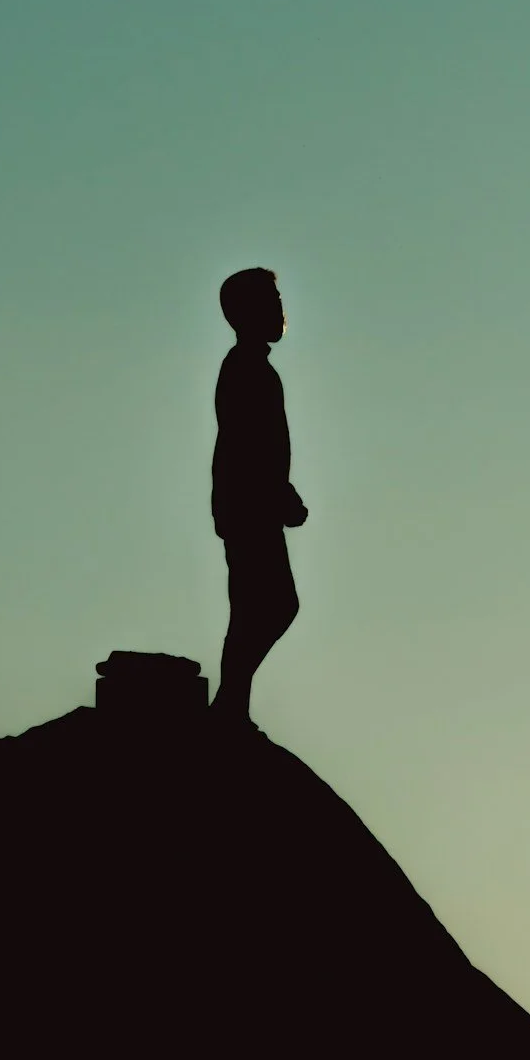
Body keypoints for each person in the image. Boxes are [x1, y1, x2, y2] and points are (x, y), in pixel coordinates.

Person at [211, 268, 307, 723]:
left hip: (251, 505)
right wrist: (275, 496)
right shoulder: (246, 369)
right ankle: (230, 702)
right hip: (248, 507)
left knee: (259, 605)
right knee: (268, 604)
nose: (280, 310)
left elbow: (258, 446)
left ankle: (233, 703)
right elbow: (245, 444)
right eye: (271, 300)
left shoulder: (254, 367)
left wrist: (281, 493)